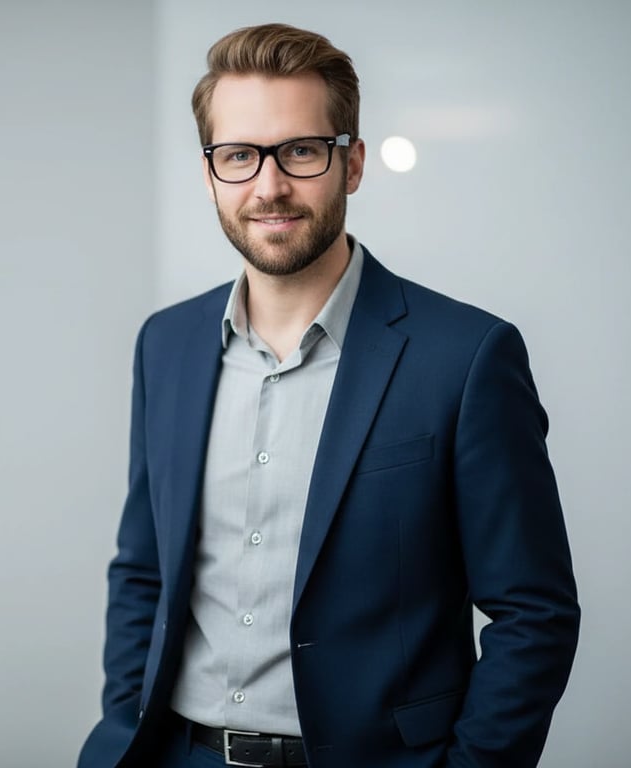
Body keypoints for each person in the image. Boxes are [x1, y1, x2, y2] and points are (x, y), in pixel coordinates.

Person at [78, 23, 579, 768]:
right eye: (239, 155)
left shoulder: (466, 357)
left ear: (352, 165)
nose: (269, 185)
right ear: (210, 171)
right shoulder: (167, 345)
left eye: (301, 151)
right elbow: (144, 569)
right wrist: (123, 725)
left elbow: (535, 612)